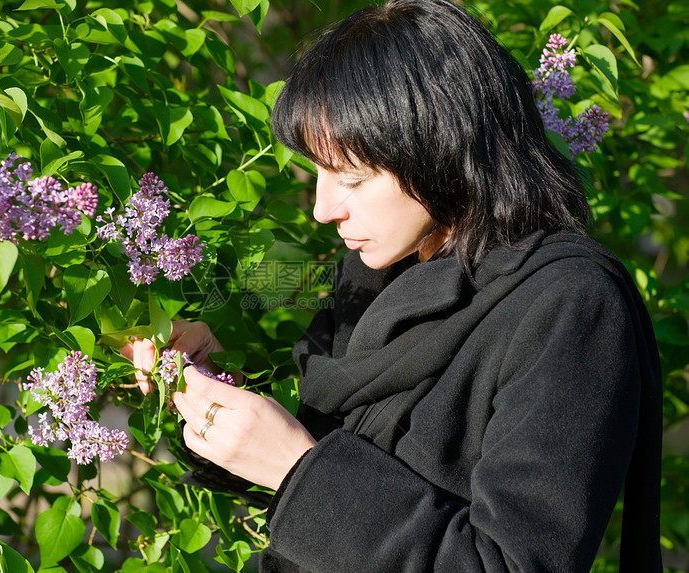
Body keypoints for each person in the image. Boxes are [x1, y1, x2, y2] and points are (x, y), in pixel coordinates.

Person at [123, 0, 663, 571]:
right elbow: (325, 457)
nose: (321, 209)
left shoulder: (569, 306)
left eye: (351, 178)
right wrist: (214, 388)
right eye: (318, 174)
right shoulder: (381, 268)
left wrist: (295, 467)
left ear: (440, 150)